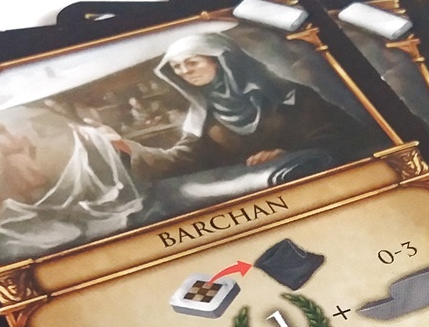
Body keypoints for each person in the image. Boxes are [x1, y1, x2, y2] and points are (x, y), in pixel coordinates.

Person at [106, 32, 374, 204]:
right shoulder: (203, 113)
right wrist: (124, 145)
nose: (184, 71)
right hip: (256, 201)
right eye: (177, 67)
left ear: (220, 60)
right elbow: (184, 160)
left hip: (324, 190)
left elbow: (347, 136)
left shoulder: (288, 95)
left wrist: (289, 153)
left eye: (192, 62)